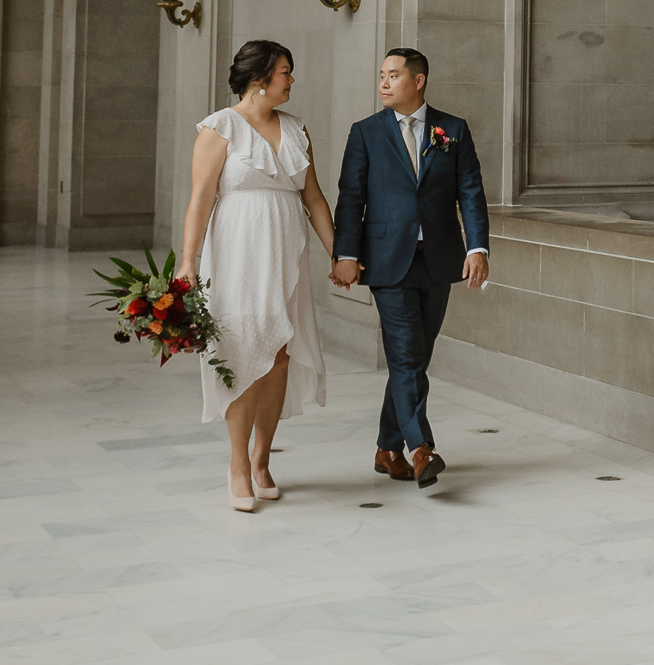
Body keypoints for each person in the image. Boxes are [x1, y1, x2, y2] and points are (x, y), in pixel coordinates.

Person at [180, 39, 336, 511]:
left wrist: (338, 254)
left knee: (280, 355)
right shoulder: (219, 128)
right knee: (241, 351)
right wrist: (187, 263)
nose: (291, 80)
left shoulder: (296, 129)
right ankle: (237, 465)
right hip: (237, 255)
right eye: (285, 71)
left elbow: (313, 200)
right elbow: (200, 200)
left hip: (286, 255)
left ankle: (263, 458)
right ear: (259, 78)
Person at [331, 47, 490, 489]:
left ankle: (386, 447)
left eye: (394, 75)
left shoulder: (451, 129)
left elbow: (470, 192)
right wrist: (345, 254)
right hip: (386, 260)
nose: (384, 82)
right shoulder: (365, 132)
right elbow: (351, 197)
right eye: (381, 74)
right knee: (404, 356)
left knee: (416, 359)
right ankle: (422, 449)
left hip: (438, 260)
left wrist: (477, 247)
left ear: (418, 81)